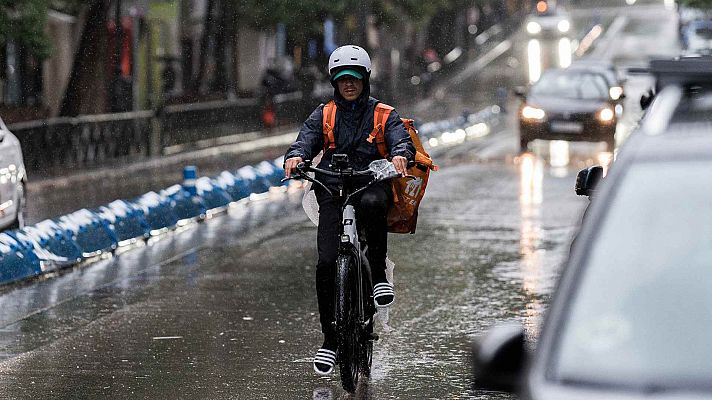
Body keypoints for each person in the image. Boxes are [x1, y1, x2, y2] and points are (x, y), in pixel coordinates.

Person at [283, 45, 415, 375]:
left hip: (369, 183)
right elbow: (305, 139)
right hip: (331, 187)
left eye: (354, 79)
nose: (349, 85)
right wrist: (295, 156)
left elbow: (401, 139)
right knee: (327, 262)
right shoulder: (323, 114)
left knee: (373, 204)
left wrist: (399, 154)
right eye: (343, 80)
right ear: (334, 83)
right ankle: (330, 340)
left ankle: (379, 279)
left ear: (365, 80)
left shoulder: (384, 113)